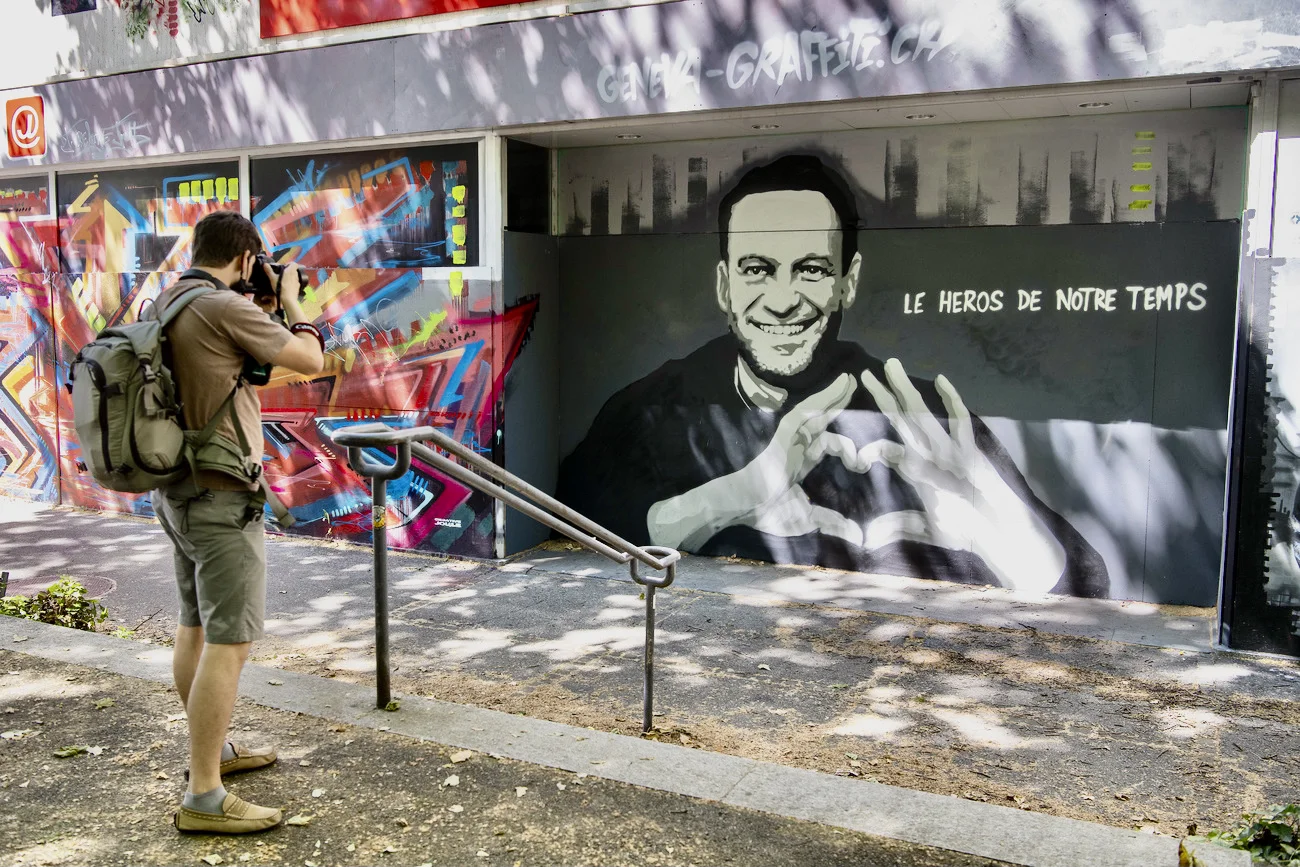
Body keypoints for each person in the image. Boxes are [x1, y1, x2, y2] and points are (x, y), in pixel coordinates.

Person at [558, 155, 1109, 597]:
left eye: (812, 270)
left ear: (849, 280)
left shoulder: (919, 420)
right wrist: (739, 494)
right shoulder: (654, 410)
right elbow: (574, 535)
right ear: (725, 285)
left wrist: (991, 510)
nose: (781, 300)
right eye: (757, 270)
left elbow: (1080, 592)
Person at [152, 211, 325, 834]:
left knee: (194, 625)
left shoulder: (169, 299)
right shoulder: (223, 306)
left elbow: (240, 371)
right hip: (222, 496)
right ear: (248, 261)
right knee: (231, 639)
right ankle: (203, 794)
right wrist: (293, 302)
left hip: (177, 488)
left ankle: (214, 753)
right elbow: (306, 356)